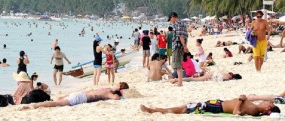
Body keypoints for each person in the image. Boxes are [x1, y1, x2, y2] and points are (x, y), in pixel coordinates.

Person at [140, 94, 280, 116]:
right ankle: (155, 110)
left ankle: (154, 110)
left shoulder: (255, 110)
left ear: (268, 108)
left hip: (216, 107)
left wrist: (241, 100)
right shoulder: (255, 107)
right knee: (187, 106)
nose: (266, 101)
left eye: (268, 103)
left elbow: (236, 113)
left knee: (185, 108)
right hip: (217, 103)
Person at [22, 82, 129, 109]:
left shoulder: (108, 92)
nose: (116, 82)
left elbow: (116, 98)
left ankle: (35, 105)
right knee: (56, 103)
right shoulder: (108, 91)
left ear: (119, 86)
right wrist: (121, 94)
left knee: (57, 102)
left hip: (80, 95)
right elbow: (117, 98)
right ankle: (35, 105)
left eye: (118, 83)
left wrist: (120, 93)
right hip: (80, 97)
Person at [168, 12, 188, 87]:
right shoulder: (182, 24)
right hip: (180, 46)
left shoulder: (177, 24)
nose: (170, 21)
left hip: (177, 46)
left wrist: (184, 46)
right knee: (178, 65)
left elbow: (180, 36)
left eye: (170, 19)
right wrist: (185, 45)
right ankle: (180, 82)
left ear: (173, 17)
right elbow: (185, 35)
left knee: (177, 65)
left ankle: (180, 83)